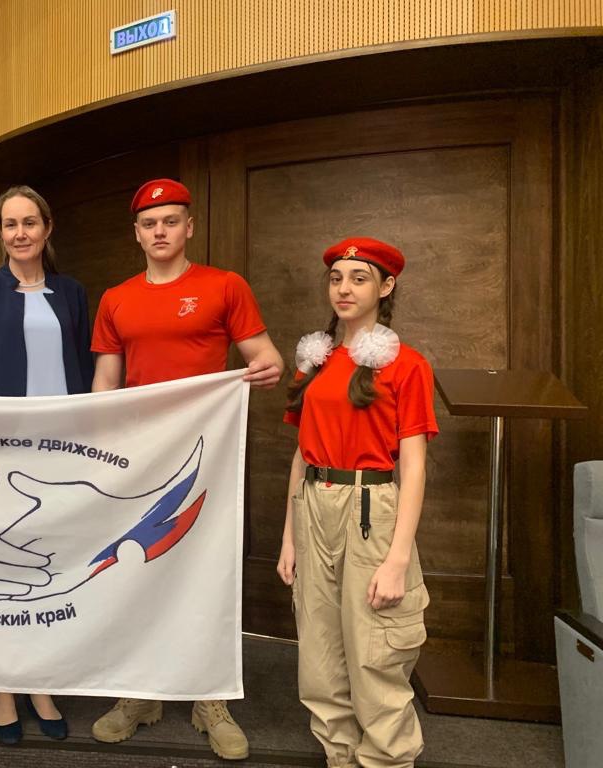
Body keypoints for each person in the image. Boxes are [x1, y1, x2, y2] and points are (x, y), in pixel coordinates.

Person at [89, 178, 284, 761]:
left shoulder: (224, 286)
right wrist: (99, 444)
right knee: (138, 566)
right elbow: (105, 381)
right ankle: (140, 692)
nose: (160, 232)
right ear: (137, 234)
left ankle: (209, 698)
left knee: (208, 570)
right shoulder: (116, 298)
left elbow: (264, 357)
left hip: (207, 454)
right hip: (140, 456)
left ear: (189, 227)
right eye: (150, 224)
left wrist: (267, 368)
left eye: (170, 221)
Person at [277, 237, 437, 768]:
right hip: (313, 505)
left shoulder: (407, 365)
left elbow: (414, 466)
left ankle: (387, 760)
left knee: (374, 652)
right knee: (319, 653)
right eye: (336, 278)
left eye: (359, 278)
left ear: (386, 287)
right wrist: (289, 537)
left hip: (372, 508)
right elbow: (301, 454)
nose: (344, 288)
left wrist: (397, 560)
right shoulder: (315, 361)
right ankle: (339, 756)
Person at [0, 185, 92, 743]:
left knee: (50, 565)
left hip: (60, 452)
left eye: (29, 222)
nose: (20, 233)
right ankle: (2, 686)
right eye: (10, 224)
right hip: (2, 451)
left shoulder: (73, 293)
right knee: (1, 569)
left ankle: (40, 681)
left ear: (47, 227)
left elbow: (85, 370)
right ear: (1, 233)